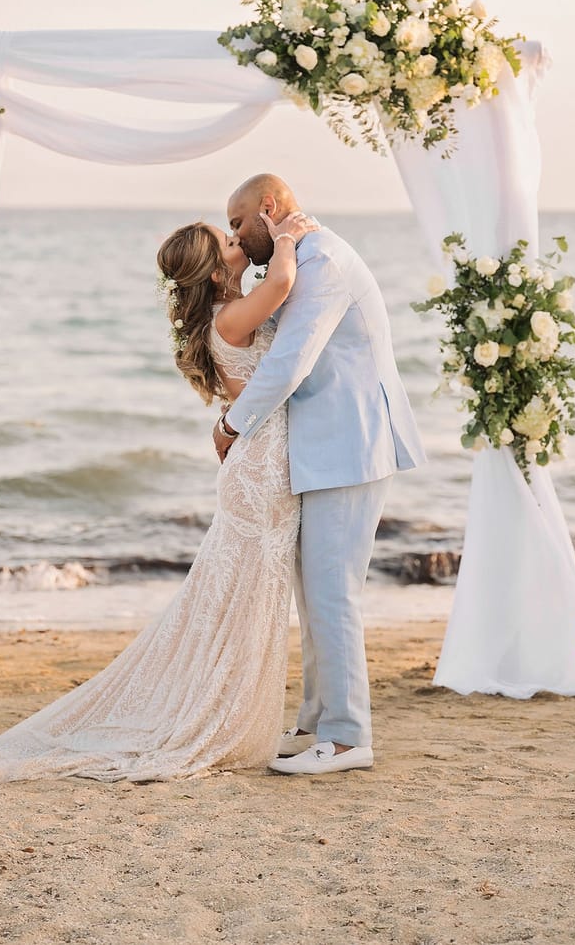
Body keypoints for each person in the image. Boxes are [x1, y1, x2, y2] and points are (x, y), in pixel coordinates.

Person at [0, 209, 318, 785]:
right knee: (241, 600)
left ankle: (228, 711)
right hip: (258, 475)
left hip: (260, 469)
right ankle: (218, 716)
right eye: (227, 238)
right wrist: (289, 234)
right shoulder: (231, 316)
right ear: (215, 273)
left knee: (242, 601)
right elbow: (284, 282)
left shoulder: (230, 311)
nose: (239, 238)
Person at [214, 174, 425, 775]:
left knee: (334, 593)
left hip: (351, 445)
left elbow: (292, 359)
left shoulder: (324, 259)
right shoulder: (299, 254)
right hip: (325, 447)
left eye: (238, 222)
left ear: (269, 208)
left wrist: (233, 423)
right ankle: (313, 721)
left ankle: (348, 736)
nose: (235, 234)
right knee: (315, 592)